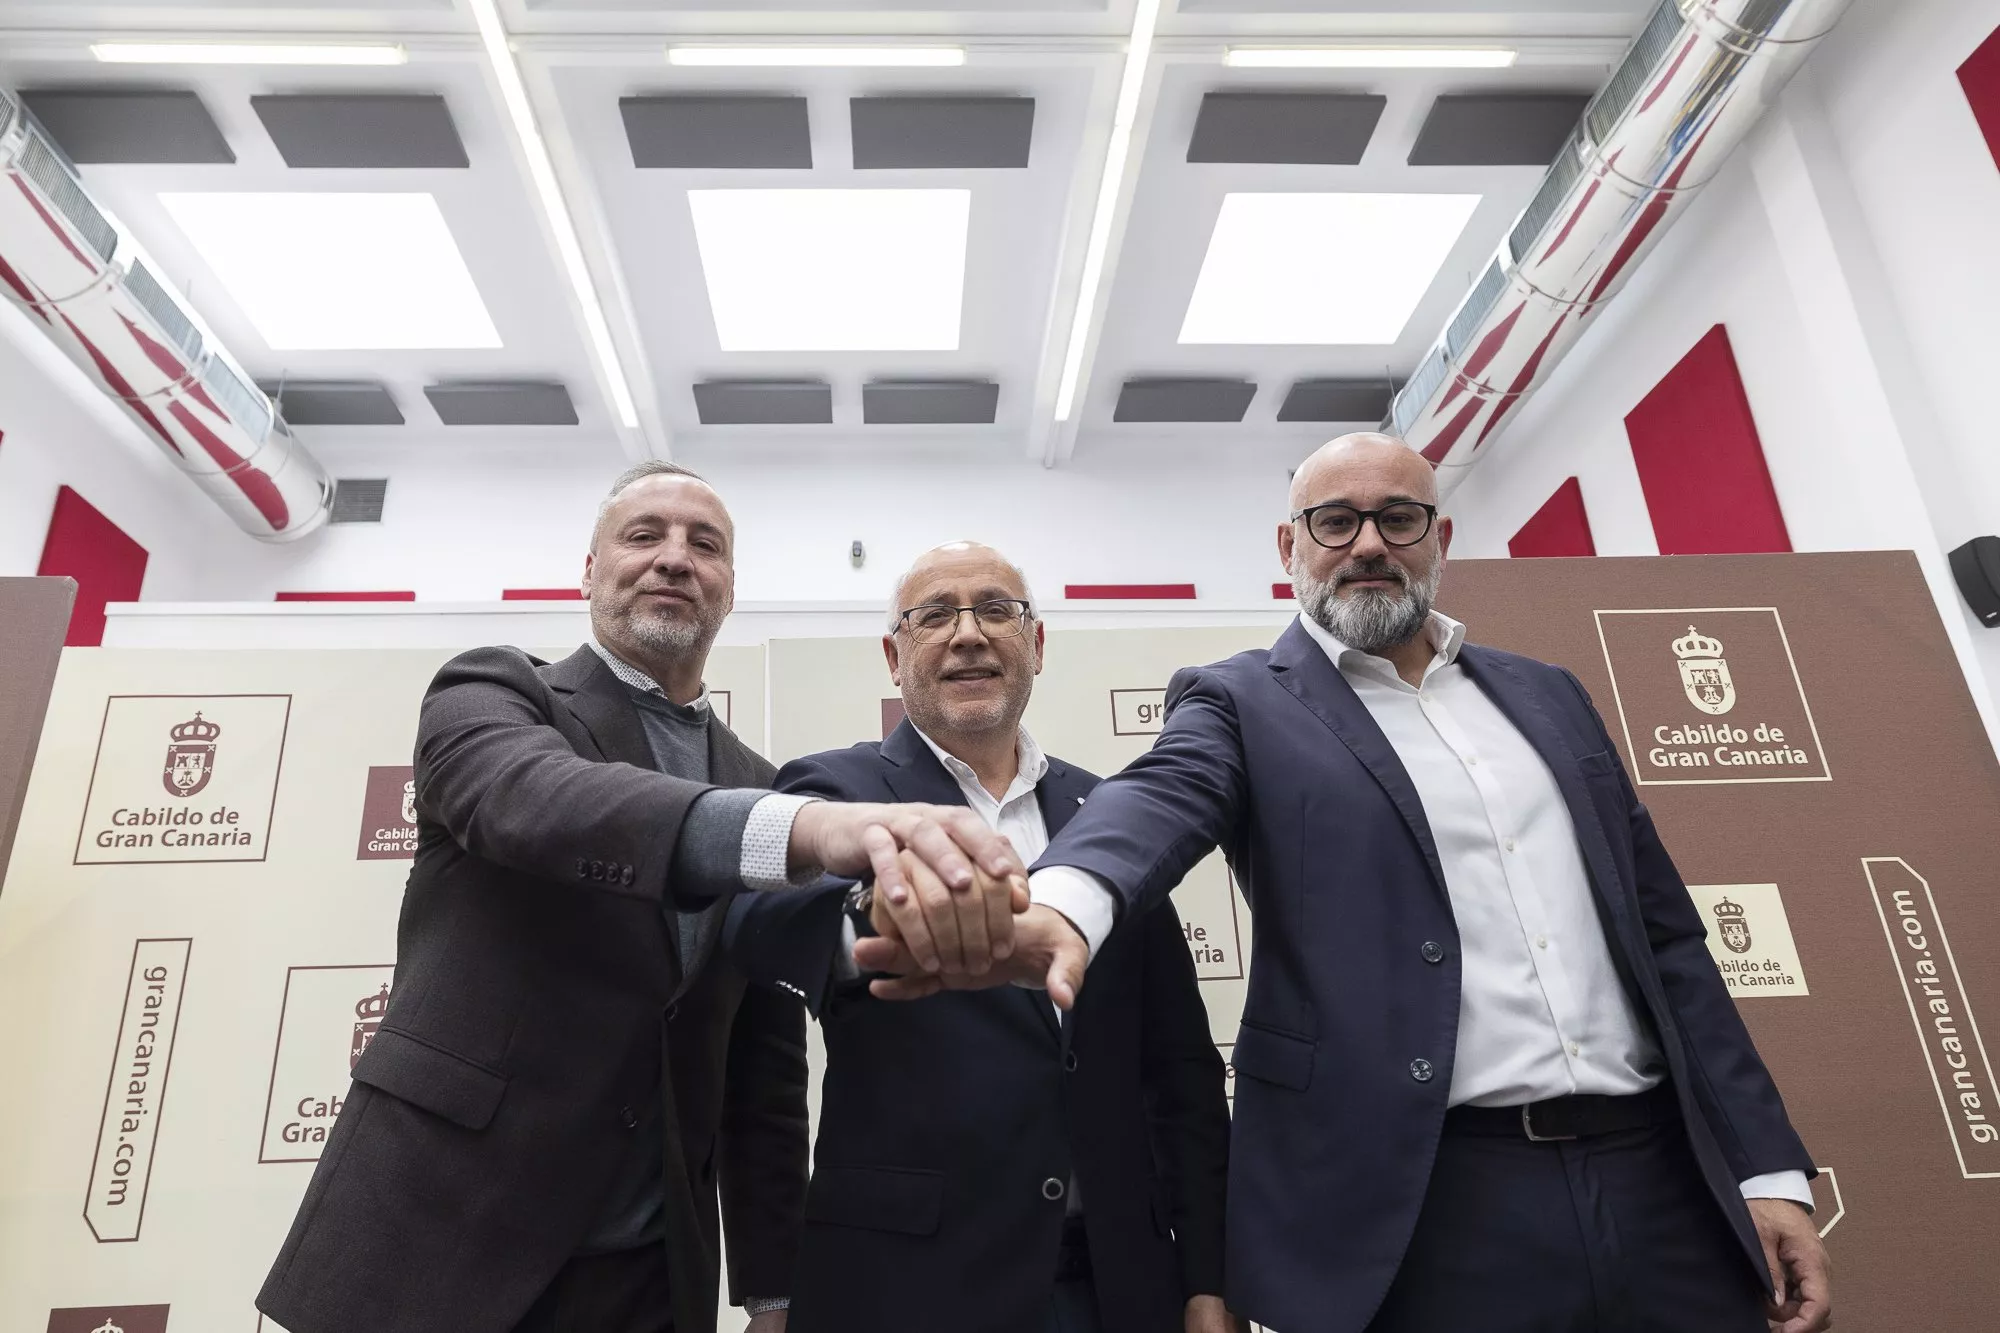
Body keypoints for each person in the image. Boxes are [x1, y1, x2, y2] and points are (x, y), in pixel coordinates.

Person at [872, 436, 1834, 1333]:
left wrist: (1766, 1166)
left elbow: (1669, 942)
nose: (1367, 543)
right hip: (1429, 1200)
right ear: (1291, 546)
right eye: (1335, 522)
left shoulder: (1550, 694)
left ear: (1439, 537)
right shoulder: (1241, 698)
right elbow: (1160, 798)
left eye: (1397, 518)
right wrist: (1062, 902)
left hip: (1659, 1177)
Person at [257, 462, 1028, 1333]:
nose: (674, 558)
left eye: (705, 545)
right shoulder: (495, 694)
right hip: (435, 1246)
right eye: (644, 535)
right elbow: (539, 801)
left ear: (729, 590)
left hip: (649, 1279)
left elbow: (760, 1067)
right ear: (589, 570)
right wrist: (813, 831)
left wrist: (773, 1291)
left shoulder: (756, 784)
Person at [724, 543, 1238, 1333]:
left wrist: (1207, 1277)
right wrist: (884, 901)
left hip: (1119, 1286)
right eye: (935, 615)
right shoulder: (834, 789)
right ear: (895, 658)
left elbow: (1182, 1072)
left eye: (996, 609)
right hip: (905, 1289)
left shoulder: (1111, 814)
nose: (968, 633)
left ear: (1036, 646)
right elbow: (763, 927)